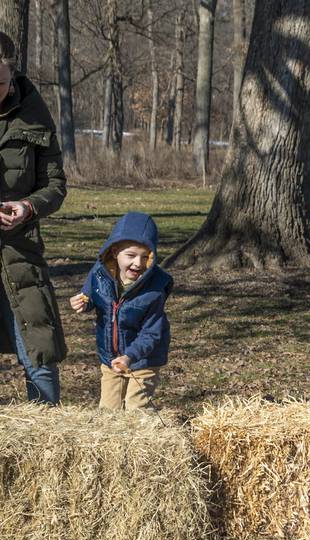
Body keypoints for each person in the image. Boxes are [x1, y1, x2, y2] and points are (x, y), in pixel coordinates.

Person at [0, 32, 67, 404]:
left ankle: (47, 441)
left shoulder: (35, 117)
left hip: (19, 253)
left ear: (12, 78)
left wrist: (28, 207)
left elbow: (55, 185)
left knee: (39, 356)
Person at [70, 212, 172, 410]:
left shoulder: (154, 290)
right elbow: (91, 296)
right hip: (111, 358)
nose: (138, 263)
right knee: (108, 410)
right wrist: (83, 302)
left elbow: (152, 333)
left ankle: (142, 439)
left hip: (144, 359)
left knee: (136, 409)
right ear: (115, 251)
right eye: (131, 255)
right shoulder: (99, 274)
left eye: (145, 257)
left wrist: (130, 356)